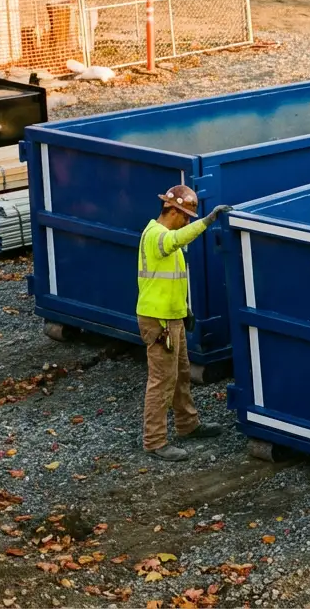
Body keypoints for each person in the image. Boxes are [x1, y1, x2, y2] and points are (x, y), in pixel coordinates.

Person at [137, 185, 230, 461]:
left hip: (171, 317)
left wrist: (184, 310)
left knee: (180, 376)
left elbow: (169, 283)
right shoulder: (157, 236)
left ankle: (187, 425)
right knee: (162, 381)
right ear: (171, 210)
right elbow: (177, 239)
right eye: (186, 216)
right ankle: (154, 441)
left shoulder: (166, 239)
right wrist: (208, 220)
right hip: (159, 321)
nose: (187, 221)